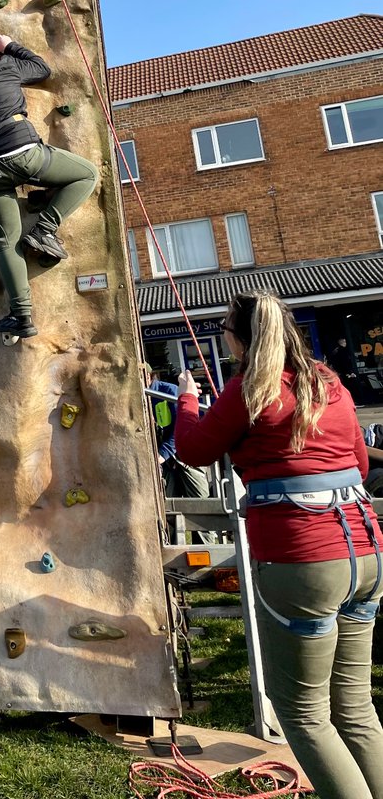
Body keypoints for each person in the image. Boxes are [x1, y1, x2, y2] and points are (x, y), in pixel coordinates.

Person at [175, 291, 383, 799]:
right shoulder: (328, 382)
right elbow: (358, 463)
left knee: (302, 714)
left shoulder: (249, 388)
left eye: (225, 329)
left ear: (238, 339)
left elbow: (194, 449)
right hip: (365, 552)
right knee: (353, 705)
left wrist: (185, 397)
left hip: (301, 561)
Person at [0, 33, 99, 339]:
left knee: (6, 243)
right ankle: (44, 229)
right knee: (87, 174)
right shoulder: (5, 66)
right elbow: (42, 68)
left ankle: (22, 317)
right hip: (24, 154)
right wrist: (10, 45)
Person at [147, 370, 214, 545]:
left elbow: (183, 429)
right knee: (167, 510)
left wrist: (160, 456)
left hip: (187, 459)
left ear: (149, 375)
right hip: (167, 464)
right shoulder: (139, 400)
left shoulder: (168, 392)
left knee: (201, 508)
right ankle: (174, 560)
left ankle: (208, 557)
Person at [328, 337, 363, 406]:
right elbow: (345, 362)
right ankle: (355, 401)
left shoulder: (335, 351)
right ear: (342, 343)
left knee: (346, 387)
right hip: (346, 372)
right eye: (344, 342)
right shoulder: (342, 351)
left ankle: (351, 402)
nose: (345, 343)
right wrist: (349, 372)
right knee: (352, 386)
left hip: (341, 372)